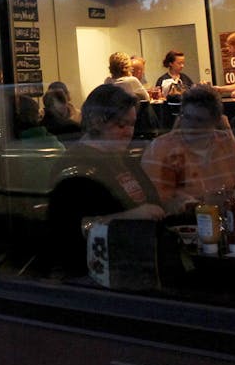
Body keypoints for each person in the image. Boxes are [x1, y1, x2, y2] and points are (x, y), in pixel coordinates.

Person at [45, 84, 164, 275]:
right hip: (101, 272)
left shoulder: (122, 157)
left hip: (137, 260)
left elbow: (151, 202)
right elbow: (70, 231)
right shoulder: (74, 165)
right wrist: (131, 216)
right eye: (120, 125)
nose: (129, 132)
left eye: (132, 124)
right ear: (96, 122)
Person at [142, 85, 235, 214]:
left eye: (199, 120)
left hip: (227, 220)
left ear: (214, 121)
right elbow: (156, 202)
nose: (190, 125)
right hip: (184, 226)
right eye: (186, 117)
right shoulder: (162, 148)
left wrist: (230, 205)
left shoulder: (225, 141)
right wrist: (194, 207)